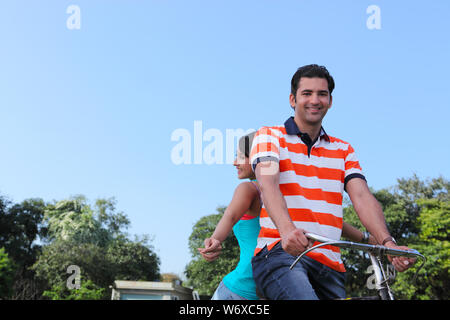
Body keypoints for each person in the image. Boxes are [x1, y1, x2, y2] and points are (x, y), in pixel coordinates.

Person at [250, 64, 416, 300]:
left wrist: (388, 242)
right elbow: (268, 184)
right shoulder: (269, 135)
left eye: (322, 94)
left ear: (330, 100)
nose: (315, 100)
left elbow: (361, 196)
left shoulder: (343, 149)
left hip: (331, 264)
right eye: (306, 93)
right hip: (282, 253)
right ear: (292, 99)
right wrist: (286, 230)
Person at [199, 131, 378, 300]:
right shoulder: (269, 191)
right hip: (258, 288)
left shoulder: (251, 188)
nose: (234, 162)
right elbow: (230, 215)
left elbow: (231, 215)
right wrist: (366, 238)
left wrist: (215, 239)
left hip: (252, 289)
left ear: (256, 157)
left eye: (240, 156)